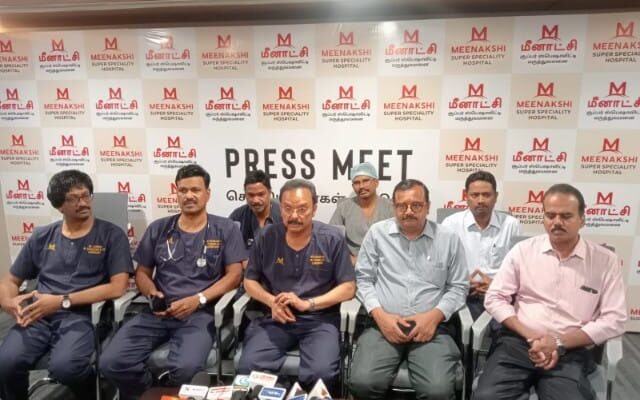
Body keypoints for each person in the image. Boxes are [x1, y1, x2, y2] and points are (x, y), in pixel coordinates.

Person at [100, 164, 247, 400]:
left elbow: (235, 275)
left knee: (186, 368)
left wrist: (198, 299)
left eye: (195, 190)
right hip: (158, 314)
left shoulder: (225, 228)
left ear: (207, 193)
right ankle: (150, 392)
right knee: (111, 362)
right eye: (183, 190)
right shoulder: (159, 228)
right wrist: (152, 293)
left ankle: (170, 394)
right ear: (176, 193)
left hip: (200, 314)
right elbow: (142, 273)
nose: (189, 196)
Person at [474, 184, 627, 400]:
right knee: (487, 396)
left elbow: (615, 319)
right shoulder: (523, 251)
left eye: (566, 216)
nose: (557, 222)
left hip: (570, 350)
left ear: (582, 219)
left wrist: (558, 342)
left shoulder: (605, 261)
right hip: (518, 343)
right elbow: (495, 297)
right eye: (550, 215)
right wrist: (530, 335)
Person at [0, 170, 133, 400]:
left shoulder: (111, 235)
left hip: (82, 316)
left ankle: (99, 391)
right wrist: (8, 302)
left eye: (86, 196)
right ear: (59, 205)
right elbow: (11, 280)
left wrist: (62, 301)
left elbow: (118, 287)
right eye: (74, 199)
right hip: (38, 314)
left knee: (66, 368)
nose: (83, 203)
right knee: (5, 363)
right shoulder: (42, 236)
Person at [349, 179, 469, 400]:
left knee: (438, 391)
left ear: (428, 206)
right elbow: (363, 279)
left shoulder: (448, 239)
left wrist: (434, 316)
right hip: (383, 325)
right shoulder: (377, 234)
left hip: (432, 329)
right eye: (402, 206)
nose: (408, 211)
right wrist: (380, 315)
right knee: (363, 383)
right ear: (394, 207)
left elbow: (459, 286)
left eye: (416, 205)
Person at [236, 179, 356, 393]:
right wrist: (271, 301)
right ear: (280, 207)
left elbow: (348, 287)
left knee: (322, 374)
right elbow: (249, 281)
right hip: (276, 317)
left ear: (314, 208)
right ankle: (280, 390)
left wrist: (308, 304)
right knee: (248, 366)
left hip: (319, 320)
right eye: (288, 208)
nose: (294, 216)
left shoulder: (331, 238)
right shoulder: (267, 236)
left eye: (302, 209)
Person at [441, 170, 521, 319]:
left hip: (499, 295)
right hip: (461, 294)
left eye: (486, 195)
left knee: (505, 330)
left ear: (495, 197)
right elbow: (441, 268)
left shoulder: (511, 225)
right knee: (453, 326)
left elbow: (518, 270)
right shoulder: (450, 224)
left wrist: (495, 285)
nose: (480, 200)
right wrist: (463, 283)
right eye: (475, 195)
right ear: (466, 197)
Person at [330, 162, 393, 264]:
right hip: (351, 264)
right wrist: (347, 258)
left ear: (376, 183)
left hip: (384, 263)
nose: (361, 186)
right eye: (356, 183)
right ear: (353, 186)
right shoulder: (344, 207)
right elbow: (332, 238)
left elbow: (398, 241)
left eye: (365, 181)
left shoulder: (390, 207)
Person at [229, 169, 282, 259]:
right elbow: (229, 252)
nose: (255, 200)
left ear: (270, 193)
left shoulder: (284, 214)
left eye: (260, 194)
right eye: (251, 195)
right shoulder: (237, 217)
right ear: (245, 194)